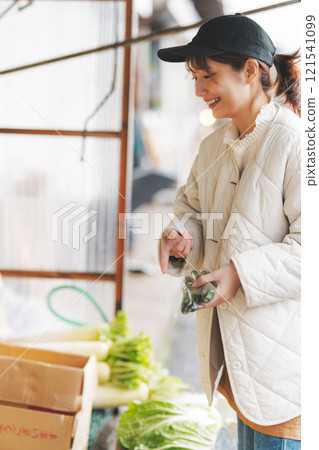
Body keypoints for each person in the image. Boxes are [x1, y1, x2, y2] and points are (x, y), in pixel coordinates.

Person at [157, 13, 300, 450]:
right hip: (238, 362)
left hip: (284, 364)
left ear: (251, 71)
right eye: (195, 77)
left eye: (209, 75)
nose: (199, 89)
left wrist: (238, 274)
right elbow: (191, 208)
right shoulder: (214, 143)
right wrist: (183, 236)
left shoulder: (295, 143)